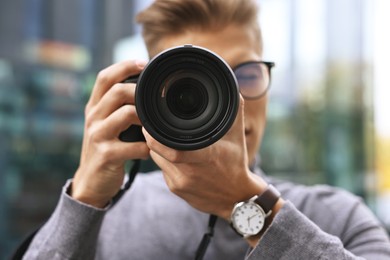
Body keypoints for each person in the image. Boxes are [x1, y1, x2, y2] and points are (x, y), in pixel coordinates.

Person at [22, 0, 390, 259]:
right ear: (148, 94)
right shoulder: (110, 213)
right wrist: (84, 198)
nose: (233, 105)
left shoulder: (336, 216)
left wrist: (247, 205)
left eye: (245, 74)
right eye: (194, 86)